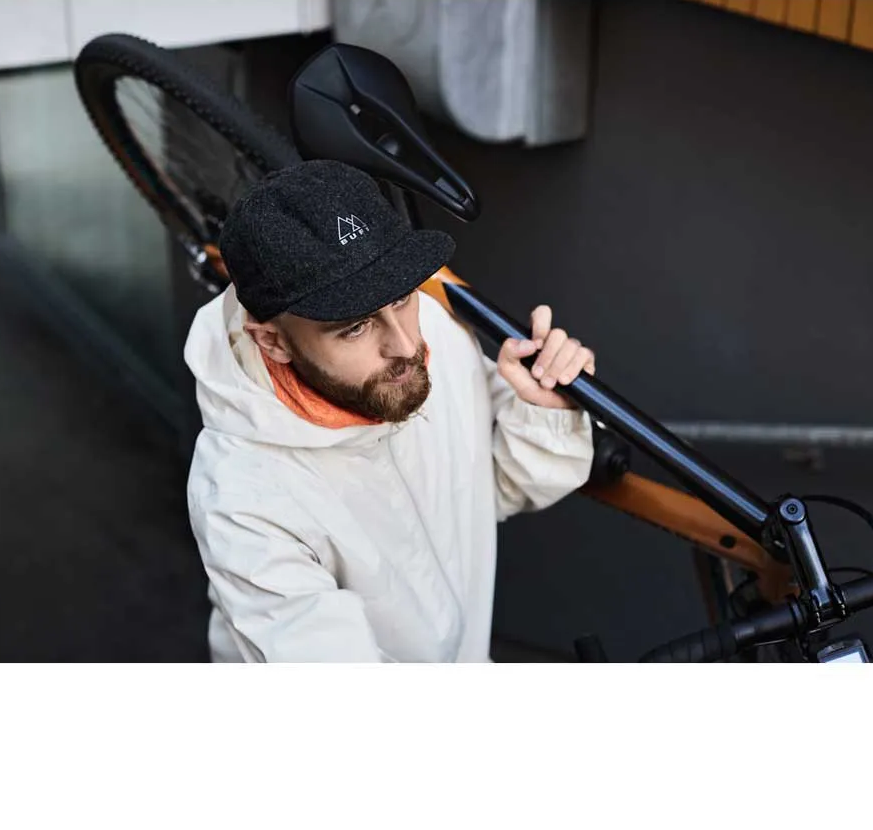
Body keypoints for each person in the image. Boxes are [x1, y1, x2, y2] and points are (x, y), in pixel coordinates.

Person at [183, 159, 596, 662]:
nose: (404, 345)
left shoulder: (432, 337)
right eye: (355, 327)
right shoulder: (244, 499)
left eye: (402, 298)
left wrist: (542, 410)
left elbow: (487, 493)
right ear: (273, 342)